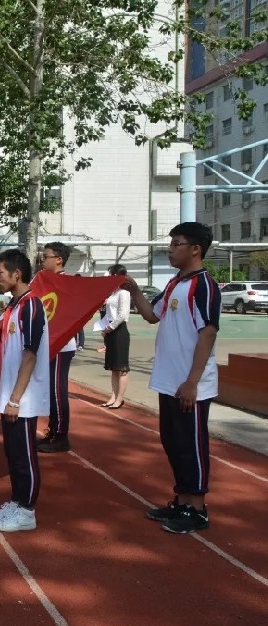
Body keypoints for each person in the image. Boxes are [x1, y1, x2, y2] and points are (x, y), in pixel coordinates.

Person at [124, 222, 220, 534]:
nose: (170, 248)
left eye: (177, 243)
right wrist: (134, 290)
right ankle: (182, 499)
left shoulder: (204, 285)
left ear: (196, 249)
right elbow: (152, 315)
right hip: (169, 381)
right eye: (171, 243)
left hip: (190, 384)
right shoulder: (175, 283)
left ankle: (198, 508)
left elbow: (208, 332)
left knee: (192, 444)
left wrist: (193, 380)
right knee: (172, 441)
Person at [0, 249, 50, 533]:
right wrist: (1, 391)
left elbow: (30, 355)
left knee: (24, 454)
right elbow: (8, 353)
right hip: (10, 396)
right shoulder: (13, 307)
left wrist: (15, 399)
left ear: (16, 273)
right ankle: (16, 502)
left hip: (23, 398)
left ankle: (27, 511)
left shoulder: (32, 306)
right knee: (12, 452)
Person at [37, 242, 76, 454]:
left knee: (57, 389)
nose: (43, 260)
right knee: (49, 390)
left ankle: (61, 436)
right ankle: (53, 430)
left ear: (58, 260)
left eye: (46, 257)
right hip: (47, 343)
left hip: (62, 345)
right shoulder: (45, 281)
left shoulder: (68, 282)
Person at [100, 265, 132, 409]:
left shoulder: (123, 293)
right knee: (113, 367)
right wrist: (104, 327)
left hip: (119, 331)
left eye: (112, 275)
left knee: (121, 367)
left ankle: (120, 398)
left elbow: (123, 315)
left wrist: (109, 327)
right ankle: (113, 396)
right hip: (110, 331)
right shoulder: (112, 293)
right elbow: (108, 314)